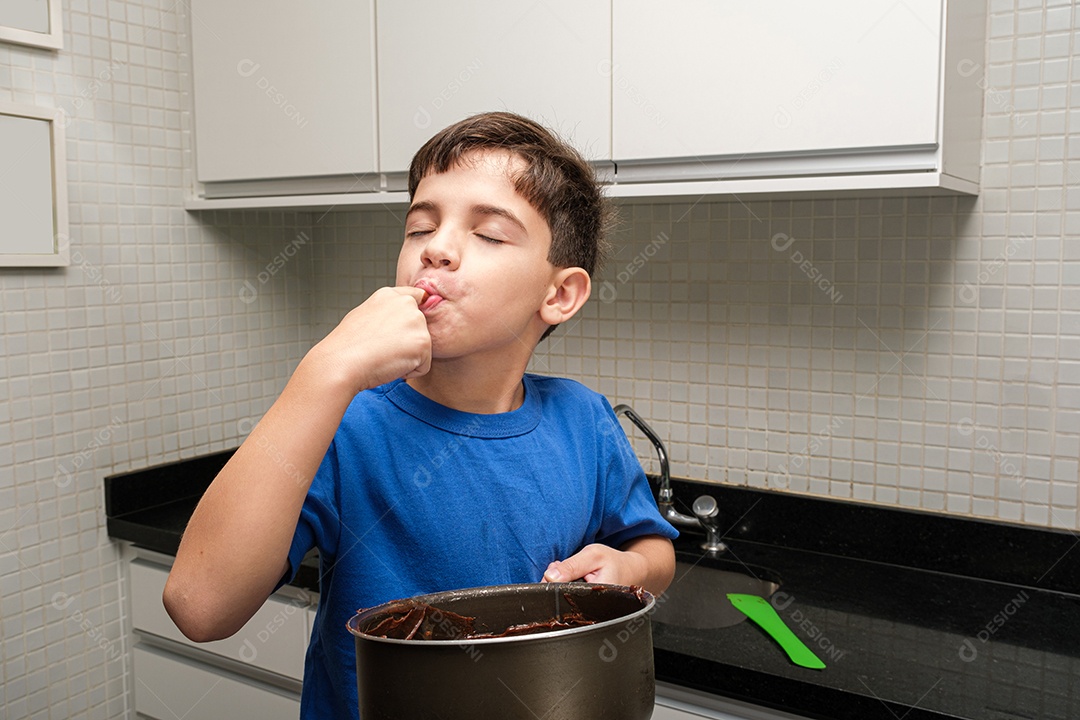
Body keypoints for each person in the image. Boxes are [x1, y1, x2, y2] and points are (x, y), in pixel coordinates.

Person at [164, 111, 678, 718]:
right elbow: (201, 607)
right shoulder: (346, 424)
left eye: (488, 234)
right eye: (419, 227)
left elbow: (653, 548)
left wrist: (630, 566)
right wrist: (324, 372)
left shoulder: (585, 422)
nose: (435, 248)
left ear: (559, 295)